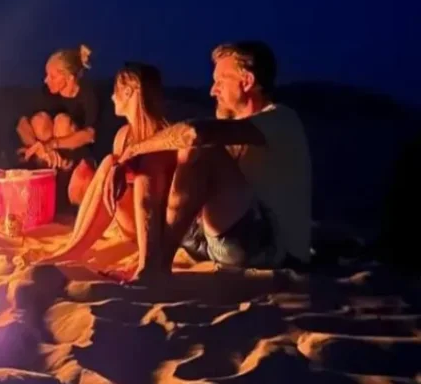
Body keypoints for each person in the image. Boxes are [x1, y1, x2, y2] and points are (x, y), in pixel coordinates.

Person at [115, 40, 311, 278]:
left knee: (200, 149)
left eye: (220, 82)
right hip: (209, 239)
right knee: (158, 156)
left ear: (247, 82)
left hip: (267, 247)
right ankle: (148, 261)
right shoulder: (236, 127)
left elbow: (194, 134)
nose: (212, 90)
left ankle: (157, 267)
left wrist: (136, 149)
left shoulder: (280, 119)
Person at [50, 64, 175, 275]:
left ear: (128, 92)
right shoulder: (124, 135)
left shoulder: (164, 135)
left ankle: (74, 250)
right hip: (129, 224)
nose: (112, 97)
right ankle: (74, 245)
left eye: (116, 91)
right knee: (108, 162)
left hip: (155, 228)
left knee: (115, 164)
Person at [17, 45, 98, 206]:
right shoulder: (46, 92)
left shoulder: (88, 95)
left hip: (75, 158)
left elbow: (90, 135)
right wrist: (39, 148)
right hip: (49, 158)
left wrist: (51, 145)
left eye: (52, 76)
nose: (46, 80)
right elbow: (21, 124)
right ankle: (45, 183)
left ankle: (64, 189)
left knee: (62, 122)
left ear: (69, 78)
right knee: (39, 120)